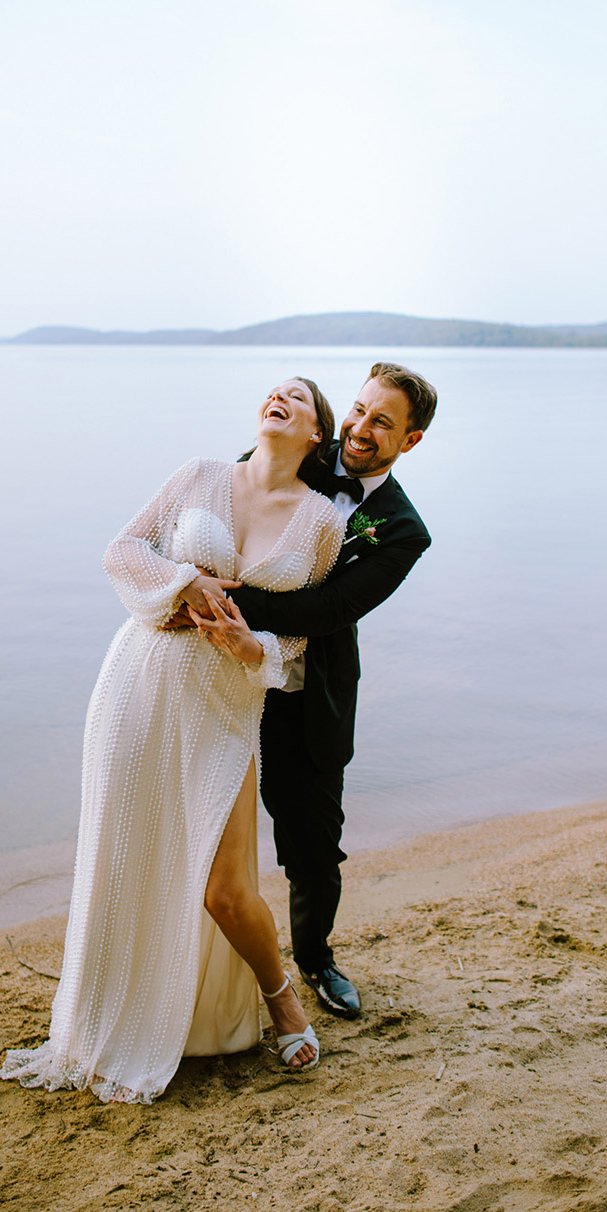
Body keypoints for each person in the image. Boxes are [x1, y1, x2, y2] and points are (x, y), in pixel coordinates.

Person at [0, 377, 345, 1104]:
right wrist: (184, 582)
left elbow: (302, 638)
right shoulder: (199, 475)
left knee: (226, 888)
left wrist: (257, 652)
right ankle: (117, 1014)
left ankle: (283, 1000)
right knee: (128, 851)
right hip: (142, 681)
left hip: (226, 704)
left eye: (299, 397)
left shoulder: (321, 522)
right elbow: (121, 550)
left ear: (318, 434)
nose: (279, 396)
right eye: (274, 390)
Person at [183, 362, 436, 1019]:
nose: (361, 428)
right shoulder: (298, 445)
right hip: (223, 674)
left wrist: (234, 607)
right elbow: (228, 510)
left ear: (409, 440)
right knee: (207, 824)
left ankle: (316, 958)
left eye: (383, 422)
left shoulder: (404, 531)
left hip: (306, 691)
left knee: (312, 845)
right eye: (358, 409)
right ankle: (200, 957)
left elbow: (329, 610)